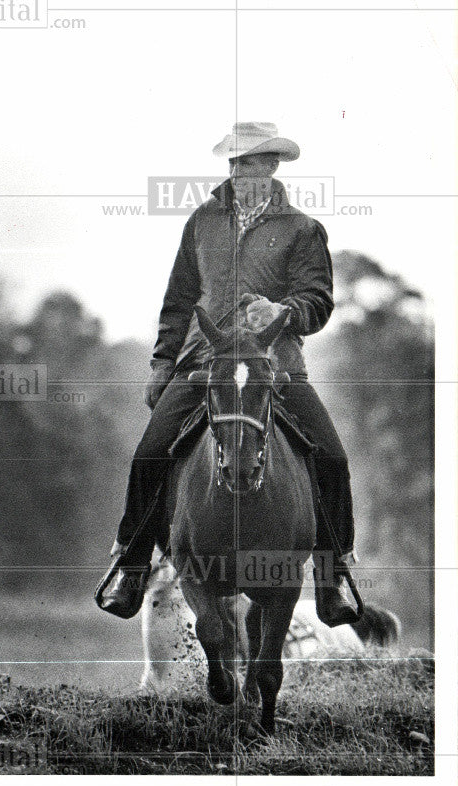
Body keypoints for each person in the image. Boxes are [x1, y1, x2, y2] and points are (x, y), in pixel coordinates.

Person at [96, 122, 362, 628]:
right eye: (234, 163)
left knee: (332, 458)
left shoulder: (303, 230)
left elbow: (319, 302)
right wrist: (161, 361)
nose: (238, 171)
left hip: (274, 367)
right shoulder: (202, 220)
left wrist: (283, 310)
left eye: (249, 162)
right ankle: (132, 565)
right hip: (202, 363)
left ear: (272, 167)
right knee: (150, 453)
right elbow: (179, 300)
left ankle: (334, 576)